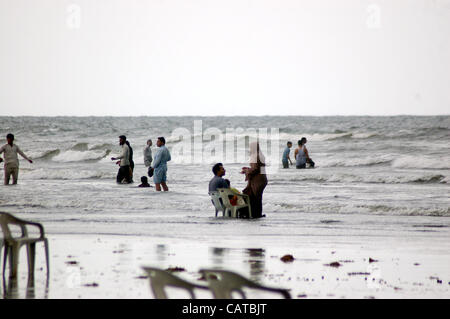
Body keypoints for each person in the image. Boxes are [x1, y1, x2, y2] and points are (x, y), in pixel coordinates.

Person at [241, 141, 268, 218]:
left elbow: (255, 169)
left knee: (257, 197)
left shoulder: (256, 156)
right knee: (258, 197)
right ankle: (257, 213)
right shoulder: (259, 155)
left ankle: (256, 214)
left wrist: (247, 171)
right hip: (261, 179)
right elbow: (258, 169)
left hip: (258, 180)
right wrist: (248, 169)